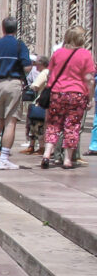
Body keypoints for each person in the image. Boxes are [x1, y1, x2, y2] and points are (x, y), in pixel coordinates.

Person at [0, 17, 33, 169]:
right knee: (10, 122)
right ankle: (3, 159)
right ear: (16, 29)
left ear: (3, 29)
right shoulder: (19, 45)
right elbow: (28, 68)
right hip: (13, 83)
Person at [40, 26, 96, 169]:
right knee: (72, 126)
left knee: (53, 124)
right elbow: (90, 78)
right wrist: (90, 98)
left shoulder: (58, 53)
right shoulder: (85, 54)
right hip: (76, 94)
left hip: (57, 93)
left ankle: (47, 154)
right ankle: (67, 160)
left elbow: (50, 73)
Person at [24, 56, 49, 155]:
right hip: (44, 101)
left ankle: (40, 147)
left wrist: (29, 86)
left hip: (40, 101)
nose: (35, 66)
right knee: (38, 124)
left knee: (36, 125)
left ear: (42, 64)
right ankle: (33, 146)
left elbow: (36, 85)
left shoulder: (44, 73)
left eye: (36, 64)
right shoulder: (48, 72)